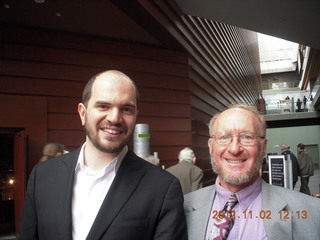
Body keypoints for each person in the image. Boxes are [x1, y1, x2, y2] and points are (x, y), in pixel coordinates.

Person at [19, 70, 187, 240]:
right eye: (103, 106)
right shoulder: (42, 175)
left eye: (126, 109)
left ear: (135, 116)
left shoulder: (163, 187)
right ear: (83, 113)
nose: (115, 118)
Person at [184, 104, 320, 240]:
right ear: (211, 147)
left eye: (247, 137)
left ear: (263, 147)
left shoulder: (313, 212)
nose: (234, 149)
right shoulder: (181, 207)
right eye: (224, 137)